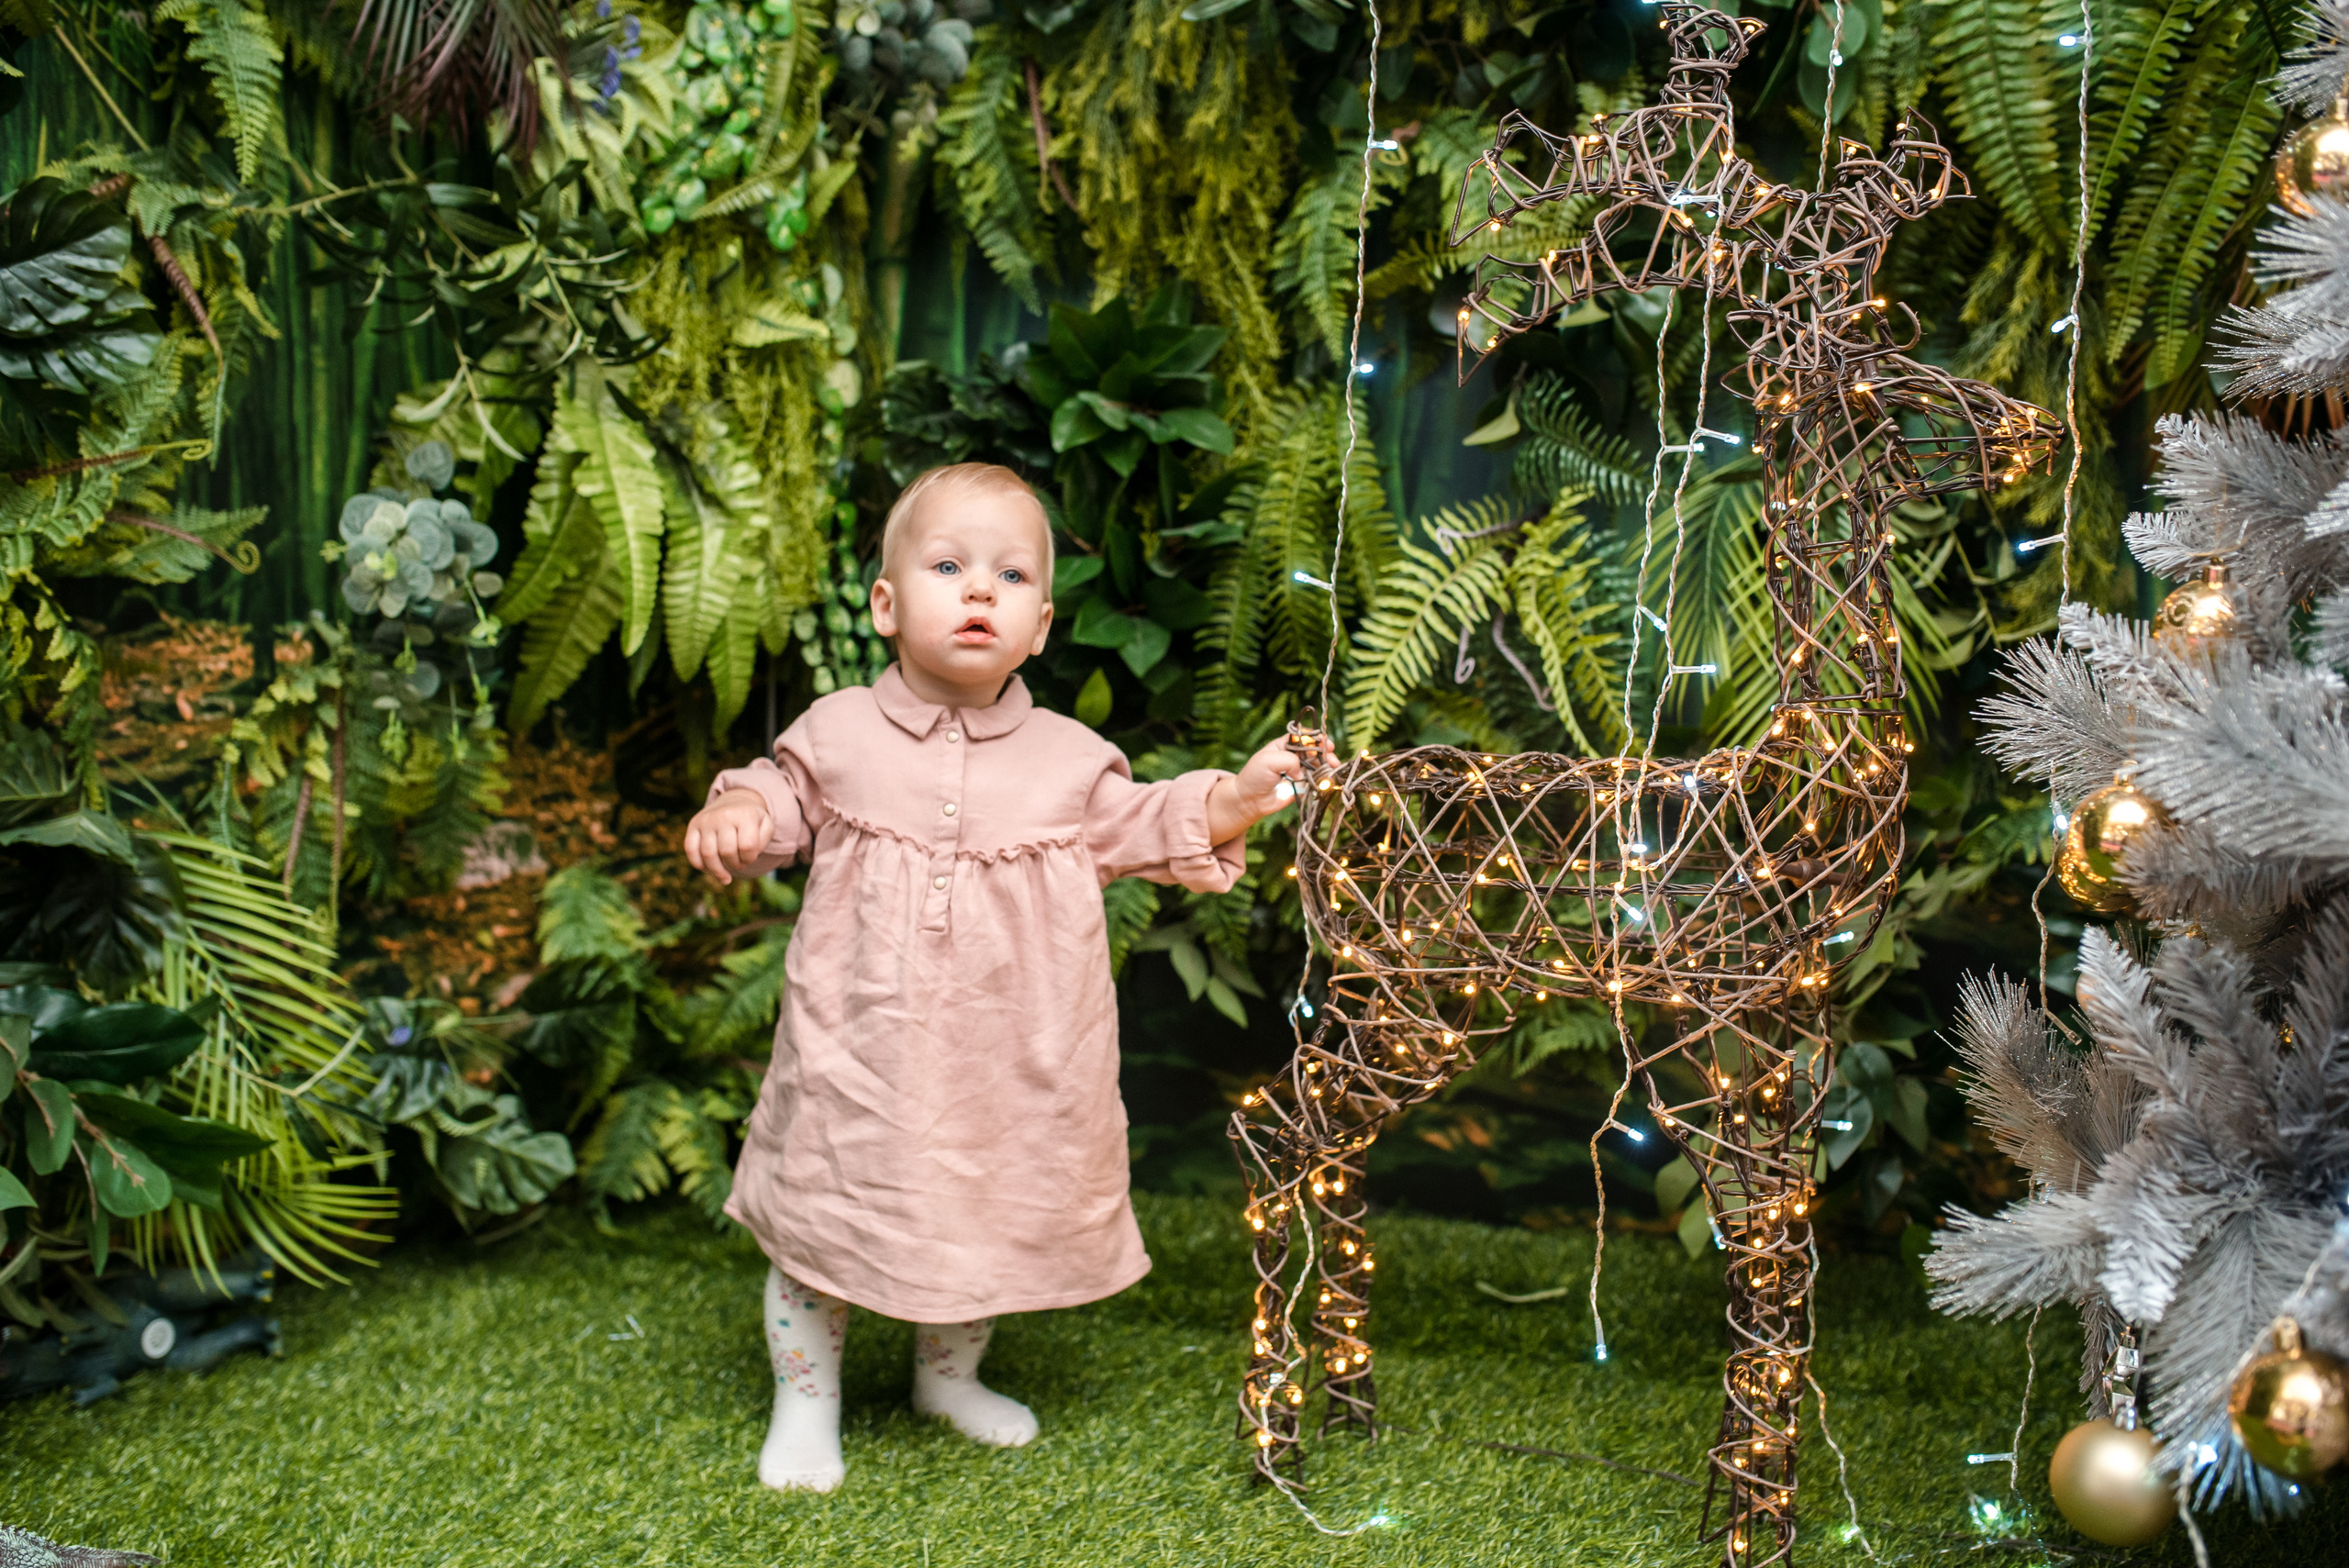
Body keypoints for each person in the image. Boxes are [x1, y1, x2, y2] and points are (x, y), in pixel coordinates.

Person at [684, 462, 1322, 1491]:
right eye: (948, 565)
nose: (979, 590)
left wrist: (1239, 796)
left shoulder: (1070, 761)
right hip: (857, 1049)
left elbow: (1157, 821)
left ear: (1040, 626)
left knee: (976, 1212)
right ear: (887, 605)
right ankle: (807, 1398)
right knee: (822, 1217)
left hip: (1001, 1057)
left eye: (1010, 575)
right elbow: (777, 801)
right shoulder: (837, 730)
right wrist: (737, 812)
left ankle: (949, 1376)